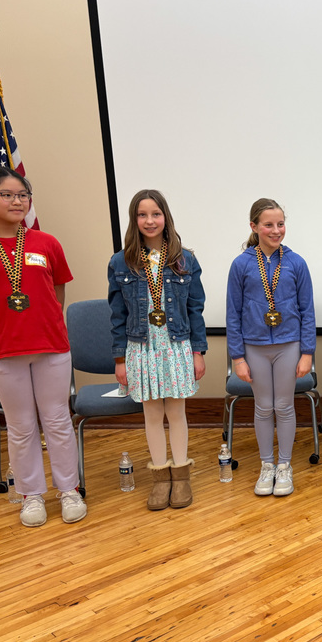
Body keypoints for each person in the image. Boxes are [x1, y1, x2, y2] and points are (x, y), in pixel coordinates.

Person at [0, 167, 85, 527]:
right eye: (7, 195)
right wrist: (4, 329)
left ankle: (69, 489)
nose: (17, 201)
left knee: (57, 420)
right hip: (3, 350)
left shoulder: (46, 243)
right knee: (21, 425)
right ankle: (31, 496)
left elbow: (57, 292)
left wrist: (42, 325)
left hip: (51, 346)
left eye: (23, 195)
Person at [108, 190, 207, 511]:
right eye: (142, 215)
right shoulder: (120, 261)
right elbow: (117, 315)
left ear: (166, 217)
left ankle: (181, 477)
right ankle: (160, 478)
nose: (149, 221)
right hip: (141, 347)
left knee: (176, 412)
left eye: (155, 214)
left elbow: (195, 309)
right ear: (134, 220)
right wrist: (120, 358)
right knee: (151, 414)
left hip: (176, 345)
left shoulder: (184, 259)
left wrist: (198, 351)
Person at [227, 198, 315, 497]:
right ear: (254, 226)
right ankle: (267, 465)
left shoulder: (296, 263)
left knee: (285, 406)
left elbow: (307, 311)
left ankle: (284, 466)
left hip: (289, 345)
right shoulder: (241, 265)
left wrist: (307, 352)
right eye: (268, 225)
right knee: (264, 407)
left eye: (280, 224)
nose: (276, 230)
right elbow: (233, 313)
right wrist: (237, 357)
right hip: (254, 346)